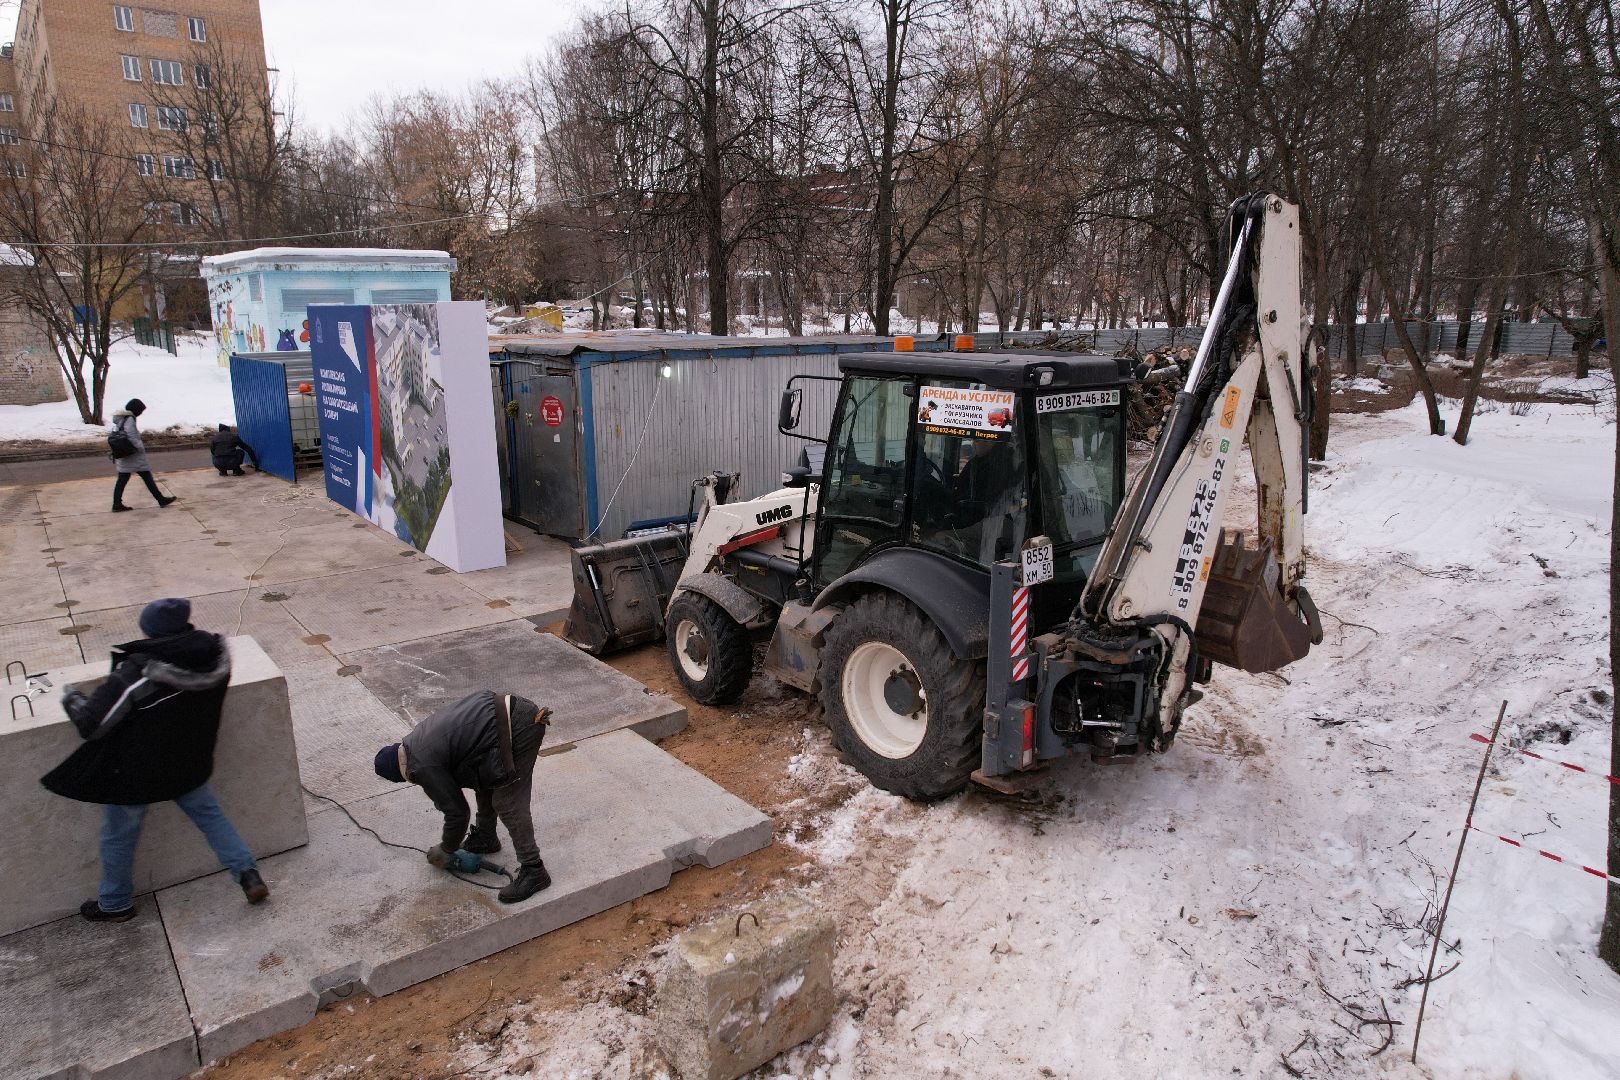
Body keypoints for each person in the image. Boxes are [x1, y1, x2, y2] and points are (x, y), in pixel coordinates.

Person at [41, 598, 269, 922]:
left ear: (149, 629)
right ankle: (248, 875)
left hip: (136, 773)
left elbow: (93, 725)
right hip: (190, 762)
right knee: (211, 817)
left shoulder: (137, 672)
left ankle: (115, 901)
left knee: (119, 833)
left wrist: (71, 699)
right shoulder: (214, 655)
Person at [373, 691, 553, 904]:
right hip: (504, 716)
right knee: (486, 776)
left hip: (520, 725)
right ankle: (486, 837)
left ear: (400, 776)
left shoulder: (422, 766)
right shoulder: (416, 742)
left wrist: (446, 849)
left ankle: (534, 870)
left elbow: (457, 813)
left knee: (508, 802)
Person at [111, 398, 177, 512]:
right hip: (133, 456)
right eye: (141, 410)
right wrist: (140, 448)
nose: (141, 413)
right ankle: (160, 499)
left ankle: (117, 503)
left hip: (125, 455)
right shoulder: (130, 419)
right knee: (146, 477)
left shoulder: (121, 419)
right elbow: (132, 436)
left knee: (123, 479)